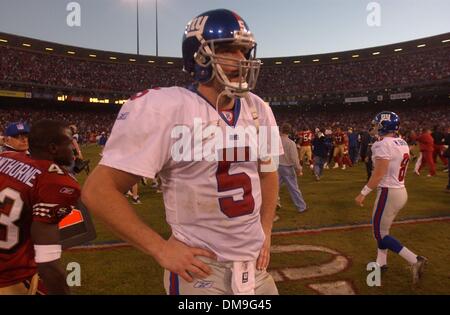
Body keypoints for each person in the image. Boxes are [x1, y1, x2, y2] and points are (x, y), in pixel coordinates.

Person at [82, 9, 281, 295]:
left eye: (243, 51)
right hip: (201, 272)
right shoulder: (168, 107)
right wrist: (160, 249)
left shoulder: (258, 107)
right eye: (227, 50)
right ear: (198, 58)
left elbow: (268, 173)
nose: (241, 60)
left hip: (255, 271)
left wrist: (266, 232)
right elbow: (98, 191)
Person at [0, 120, 80, 294]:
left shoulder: (5, 158)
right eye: (68, 143)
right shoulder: (55, 182)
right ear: (53, 148)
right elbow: (48, 264)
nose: (73, 148)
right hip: (11, 279)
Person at [354, 111, 427, 285]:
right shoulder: (401, 142)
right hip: (400, 191)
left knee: (379, 233)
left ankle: (415, 259)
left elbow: (379, 173)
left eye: (377, 124)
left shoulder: (381, 145)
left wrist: (362, 193)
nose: (375, 127)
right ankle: (381, 262)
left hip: (388, 192)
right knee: (383, 230)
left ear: (384, 126)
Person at [278, 123, 307, 213]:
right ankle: (301, 207)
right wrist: (299, 168)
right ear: (289, 131)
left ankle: (273, 204)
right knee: (294, 188)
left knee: (273, 188)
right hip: (287, 168)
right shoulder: (291, 143)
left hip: (277, 167)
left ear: (281, 130)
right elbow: (294, 158)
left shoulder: (275, 141)